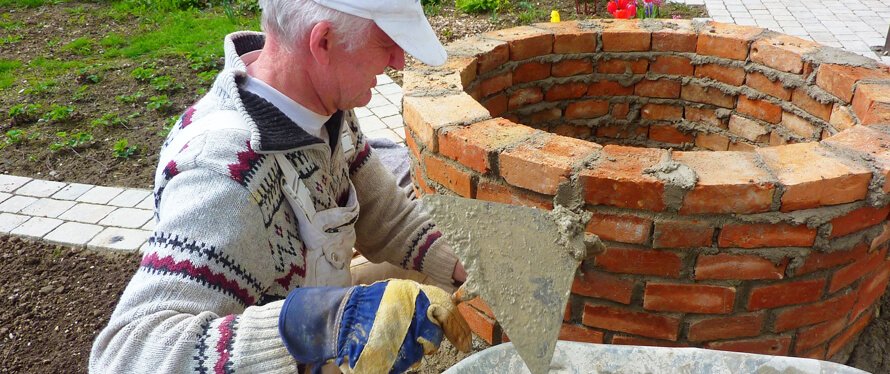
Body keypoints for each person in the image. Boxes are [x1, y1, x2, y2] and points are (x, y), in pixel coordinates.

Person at [89, 0, 472, 372]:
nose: (398, 61)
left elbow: (385, 216)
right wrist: (319, 326)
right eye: (386, 43)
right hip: (272, 361)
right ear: (322, 42)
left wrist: (468, 265)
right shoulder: (226, 178)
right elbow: (124, 356)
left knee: (419, 291)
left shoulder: (324, 108)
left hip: (309, 332)